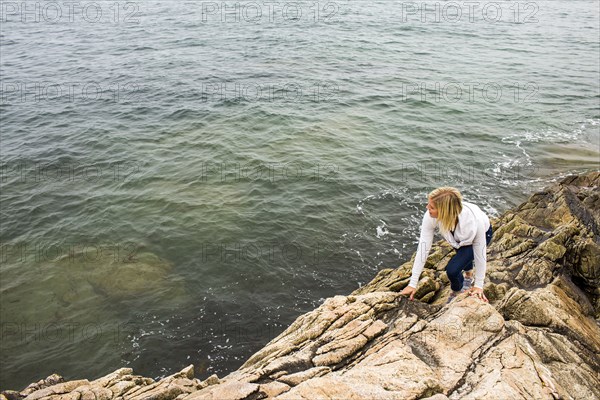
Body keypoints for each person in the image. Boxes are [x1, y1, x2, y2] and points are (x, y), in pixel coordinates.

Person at [399, 187, 493, 304]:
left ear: (444, 211)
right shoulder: (429, 217)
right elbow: (423, 248)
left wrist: (479, 286)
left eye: (432, 207)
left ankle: (456, 291)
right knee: (462, 256)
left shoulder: (474, 221)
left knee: (452, 271)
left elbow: (480, 254)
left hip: (482, 234)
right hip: (457, 237)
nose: (427, 208)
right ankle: (469, 274)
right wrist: (412, 283)